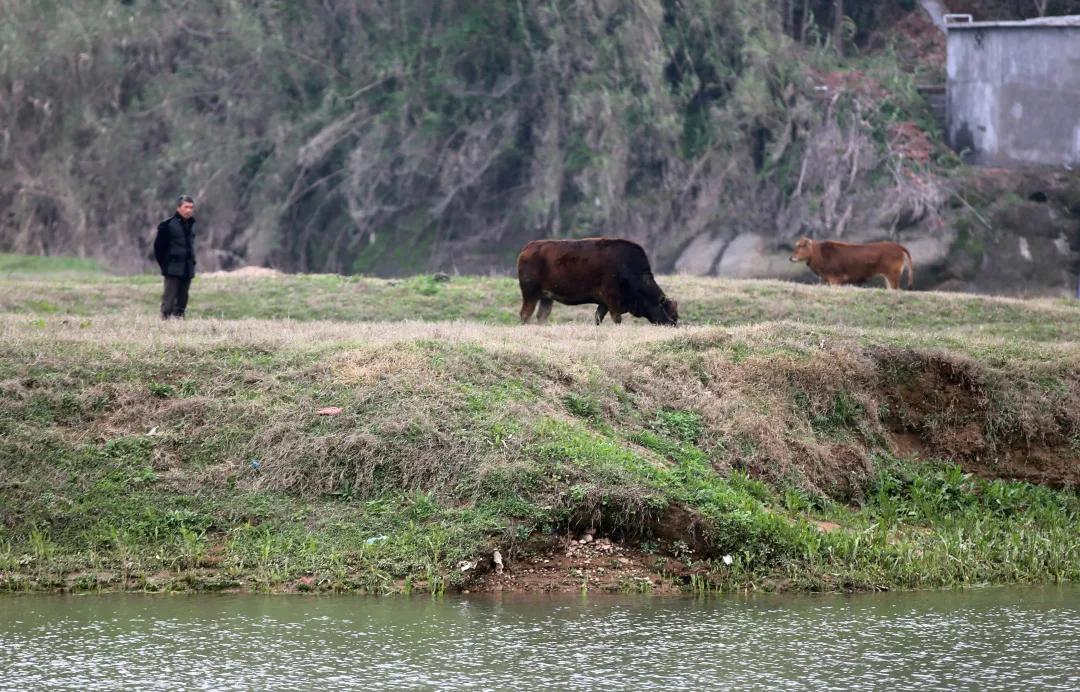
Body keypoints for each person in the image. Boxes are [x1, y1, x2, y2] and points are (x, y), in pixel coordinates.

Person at [153, 195, 197, 319]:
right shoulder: (167, 225)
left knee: (183, 298)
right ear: (178, 208)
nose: (189, 210)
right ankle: (164, 320)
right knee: (169, 298)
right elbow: (158, 248)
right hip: (172, 267)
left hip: (187, 267)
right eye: (186, 207)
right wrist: (165, 264)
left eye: (191, 207)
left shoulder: (193, 224)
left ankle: (179, 320)